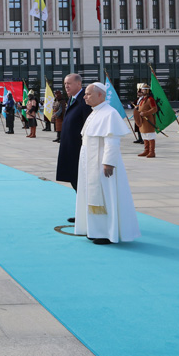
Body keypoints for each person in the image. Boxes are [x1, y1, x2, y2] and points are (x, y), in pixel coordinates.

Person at [74, 83, 140, 245]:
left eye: (88, 94)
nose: (85, 97)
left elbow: (112, 141)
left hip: (102, 163)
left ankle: (106, 233)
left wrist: (108, 163)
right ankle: (93, 229)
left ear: (100, 95)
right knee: (90, 194)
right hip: (89, 162)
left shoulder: (109, 113)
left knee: (105, 196)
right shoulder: (95, 112)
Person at [55, 73, 92, 224]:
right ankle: (82, 213)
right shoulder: (72, 99)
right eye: (65, 84)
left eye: (69, 83)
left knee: (81, 183)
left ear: (78, 84)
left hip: (78, 149)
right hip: (69, 147)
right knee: (75, 181)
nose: (66, 86)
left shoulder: (84, 100)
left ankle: (88, 215)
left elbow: (88, 125)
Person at [135, 83, 158, 158]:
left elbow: (154, 109)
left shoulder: (150, 99)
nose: (142, 91)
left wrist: (145, 113)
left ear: (147, 91)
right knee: (144, 135)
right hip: (142, 120)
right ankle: (146, 150)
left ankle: (152, 152)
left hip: (148, 120)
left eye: (143, 90)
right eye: (142, 89)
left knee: (150, 135)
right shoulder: (142, 99)